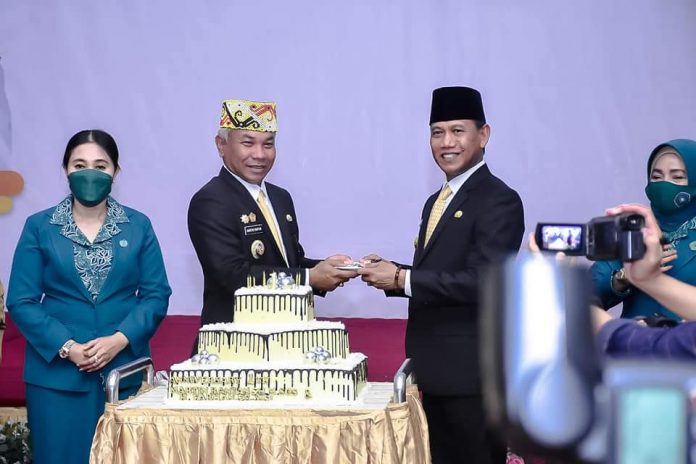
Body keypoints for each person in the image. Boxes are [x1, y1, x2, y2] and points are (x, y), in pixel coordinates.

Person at [359, 86, 525, 464]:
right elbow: (440, 274)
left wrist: (401, 279)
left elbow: (482, 281)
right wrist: (389, 272)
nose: (446, 143)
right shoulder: (436, 201)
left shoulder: (499, 199)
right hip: (434, 373)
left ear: (483, 135)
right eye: (437, 132)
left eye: (457, 131)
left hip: (472, 378)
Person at [6, 129, 171, 464]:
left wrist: (119, 340)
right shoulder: (39, 226)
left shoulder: (138, 225)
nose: (90, 173)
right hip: (56, 380)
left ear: (116, 172)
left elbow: (156, 294)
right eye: (79, 165)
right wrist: (68, 347)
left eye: (101, 165)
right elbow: (21, 300)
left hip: (125, 375)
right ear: (66, 170)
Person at [188, 99, 357, 328]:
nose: (260, 154)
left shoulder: (280, 197)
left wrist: (329, 268)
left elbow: (289, 263)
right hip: (236, 338)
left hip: (287, 333)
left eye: (268, 144)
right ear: (221, 145)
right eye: (248, 143)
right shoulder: (211, 200)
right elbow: (233, 277)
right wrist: (309, 278)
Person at [591, 139, 696, 321]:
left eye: (677, 177)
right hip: (634, 337)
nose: (664, 184)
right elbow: (587, 294)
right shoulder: (635, 228)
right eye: (656, 177)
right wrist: (626, 276)